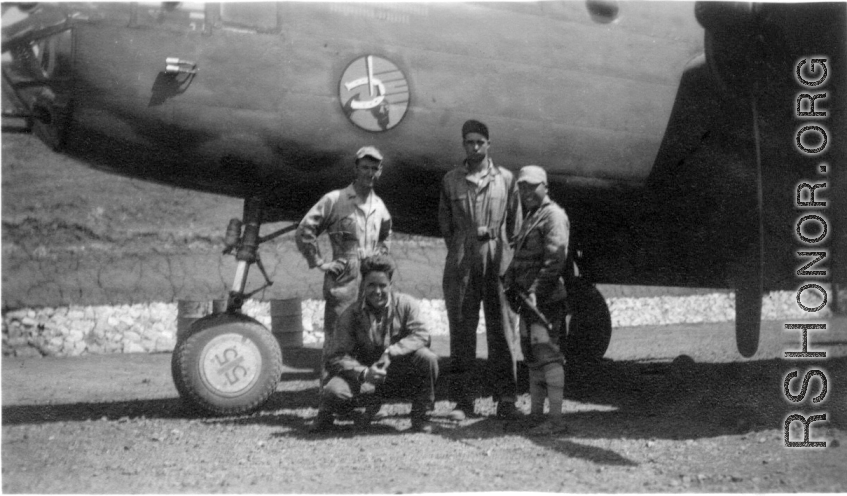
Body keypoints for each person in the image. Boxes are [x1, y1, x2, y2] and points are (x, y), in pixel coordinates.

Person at [438, 119, 522, 421]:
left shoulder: (506, 179)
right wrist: (463, 243)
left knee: (501, 327)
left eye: (479, 142)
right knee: (462, 328)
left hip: (497, 254)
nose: (474, 147)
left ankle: (507, 399)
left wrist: (505, 256)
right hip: (463, 256)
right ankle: (463, 401)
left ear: (488, 144)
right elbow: (446, 224)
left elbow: (515, 225)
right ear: (463, 144)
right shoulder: (451, 180)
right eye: (468, 142)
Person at [311, 255, 439, 434]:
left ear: (391, 286)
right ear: (363, 285)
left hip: (399, 375)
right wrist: (364, 373)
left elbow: (422, 334)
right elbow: (336, 357)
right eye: (371, 285)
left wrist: (392, 351)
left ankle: (421, 417)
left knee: (428, 358)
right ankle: (357, 410)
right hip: (366, 380)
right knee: (334, 391)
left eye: (382, 285)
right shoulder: (350, 315)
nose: (377, 291)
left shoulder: (406, 305)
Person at [295, 146, 392, 359]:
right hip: (345, 276)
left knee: (369, 334)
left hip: (370, 277)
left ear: (380, 172)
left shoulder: (379, 205)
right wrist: (319, 262)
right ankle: (330, 388)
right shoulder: (335, 200)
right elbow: (305, 229)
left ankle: (363, 386)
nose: (369, 173)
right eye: (365, 167)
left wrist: (381, 261)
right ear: (355, 168)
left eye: (374, 168)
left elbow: (386, 234)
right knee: (338, 334)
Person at [503, 165, 570, 435]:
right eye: (522, 187)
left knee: (549, 357)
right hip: (528, 301)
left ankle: (555, 421)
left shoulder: (553, 215)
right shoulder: (532, 216)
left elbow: (555, 259)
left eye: (532, 186)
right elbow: (522, 257)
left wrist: (535, 290)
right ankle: (536, 416)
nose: (526, 192)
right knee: (532, 358)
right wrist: (509, 277)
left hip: (545, 301)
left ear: (545, 187)